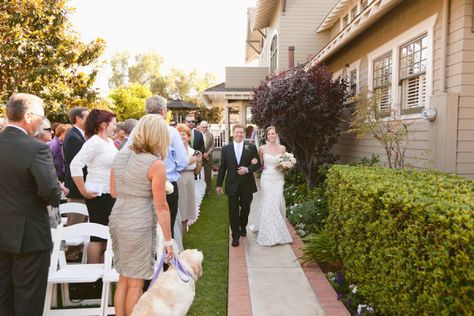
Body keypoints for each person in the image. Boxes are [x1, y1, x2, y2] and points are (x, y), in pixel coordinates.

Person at [0, 93, 62, 316]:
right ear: (28, 116)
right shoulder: (36, 148)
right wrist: (55, 192)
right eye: (41, 117)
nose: (42, 122)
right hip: (30, 236)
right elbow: (51, 192)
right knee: (29, 300)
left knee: (3, 299)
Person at [109, 114, 175, 316]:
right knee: (136, 283)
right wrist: (169, 241)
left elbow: (113, 191)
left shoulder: (120, 155)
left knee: (124, 279)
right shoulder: (155, 164)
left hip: (118, 219)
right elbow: (161, 206)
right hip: (138, 223)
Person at [125, 96, 188, 238]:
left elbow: (126, 156)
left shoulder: (136, 131)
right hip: (167, 187)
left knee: (144, 230)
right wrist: (171, 170)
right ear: (163, 111)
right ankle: (165, 257)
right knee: (166, 230)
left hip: (141, 186)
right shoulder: (171, 132)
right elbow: (183, 161)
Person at [70, 109, 118, 263]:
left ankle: (103, 272)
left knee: (107, 236)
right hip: (97, 195)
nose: (115, 127)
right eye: (113, 124)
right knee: (97, 236)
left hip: (110, 193)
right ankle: (92, 283)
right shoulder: (94, 142)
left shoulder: (109, 142)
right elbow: (75, 165)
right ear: (104, 125)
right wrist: (83, 190)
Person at [216, 124, 260, 247]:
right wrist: (219, 184)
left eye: (241, 132)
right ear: (233, 133)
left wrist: (247, 169)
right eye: (237, 132)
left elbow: (257, 164)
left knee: (245, 209)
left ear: (244, 134)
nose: (239, 134)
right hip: (232, 184)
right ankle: (235, 236)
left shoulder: (251, 147)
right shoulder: (226, 148)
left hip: (247, 184)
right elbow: (222, 168)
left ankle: (243, 226)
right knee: (233, 211)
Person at [252, 126, 292, 246]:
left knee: (278, 201)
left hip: (279, 178)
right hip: (267, 178)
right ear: (266, 135)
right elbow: (261, 164)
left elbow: (285, 163)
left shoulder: (283, 148)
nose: (271, 136)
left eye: (273, 134)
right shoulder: (262, 148)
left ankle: (277, 229)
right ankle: (269, 233)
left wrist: (287, 165)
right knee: (269, 203)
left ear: (277, 134)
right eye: (269, 134)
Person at [176, 124, 202, 234]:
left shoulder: (193, 151)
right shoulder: (174, 151)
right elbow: (179, 165)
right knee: (180, 208)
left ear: (188, 136)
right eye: (179, 134)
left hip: (190, 179)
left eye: (184, 134)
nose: (182, 137)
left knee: (188, 208)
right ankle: (177, 234)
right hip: (179, 179)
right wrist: (191, 160)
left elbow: (196, 171)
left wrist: (199, 163)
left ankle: (184, 233)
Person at [199, 121, 214, 195]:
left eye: (206, 127)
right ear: (200, 127)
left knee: (208, 174)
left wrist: (207, 153)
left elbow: (212, 146)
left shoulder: (210, 135)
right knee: (199, 174)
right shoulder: (197, 135)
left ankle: (208, 189)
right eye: (203, 127)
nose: (205, 128)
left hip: (208, 157)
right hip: (199, 157)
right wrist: (202, 154)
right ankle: (200, 189)